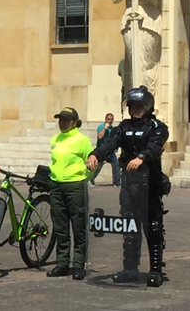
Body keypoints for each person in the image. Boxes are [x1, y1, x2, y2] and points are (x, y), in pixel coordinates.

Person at [87, 86, 170, 287]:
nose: (135, 110)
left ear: (148, 107)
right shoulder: (123, 127)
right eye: (132, 106)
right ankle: (130, 269)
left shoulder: (157, 127)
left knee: (152, 227)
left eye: (139, 106)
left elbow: (155, 145)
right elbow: (110, 143)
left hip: (150, 185)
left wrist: (142, 157)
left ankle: (156, 270)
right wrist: (96, 154)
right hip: (129, 185)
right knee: (129, 227)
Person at [46, 107, 93, 281]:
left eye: (66, 120)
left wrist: (83, 179)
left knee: (78, 225)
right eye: (60, 120)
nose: (62, 123)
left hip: (75, 186)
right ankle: (62, 263)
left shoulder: (82, 140)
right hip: (56, 186)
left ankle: (79, 264)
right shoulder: (55, 139)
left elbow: (92, 162)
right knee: (60, 226)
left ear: (74, 122)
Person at [90, 113, 121, 187]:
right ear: (105, 119)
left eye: (111, 120)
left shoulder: (112, 129)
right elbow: (100, 136)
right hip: (101, 150)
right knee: (98, 166)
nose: (110, 121)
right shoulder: (101, 126)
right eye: (108, 119)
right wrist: (105, 128)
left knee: (115, 164)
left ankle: (116, 183)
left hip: (109, 150)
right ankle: (90, 180)